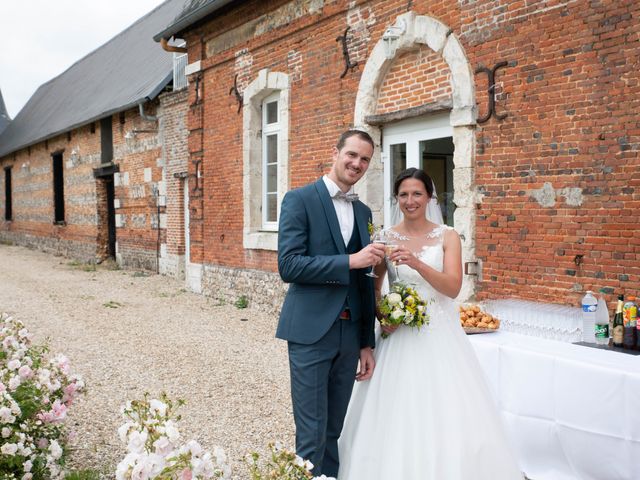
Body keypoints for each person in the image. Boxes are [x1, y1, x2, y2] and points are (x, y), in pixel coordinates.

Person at [338, 168, 523, 480]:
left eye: (417, 194)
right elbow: (372, 288)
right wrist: (384, 316)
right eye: (404, 195)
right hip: (397, 339)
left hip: (439, 337)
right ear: (396, 198)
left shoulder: (447, 236)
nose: (410, 201)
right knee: (393, 412)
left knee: (446, 410)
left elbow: (452, 288)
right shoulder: (384, 238)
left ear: (429, 198)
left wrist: (416, 262)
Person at [277, 130, 386, 477]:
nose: (357, 163)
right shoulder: (299, 199)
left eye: (365, 159)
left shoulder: (364, 210)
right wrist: (350, 260)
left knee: (334, 431)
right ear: (335, 152)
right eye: (352, 155)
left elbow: (365, 281)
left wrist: (366, 341)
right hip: (311, 332)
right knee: (310, 433)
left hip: (350, 332)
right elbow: (289, 265)